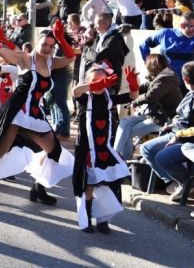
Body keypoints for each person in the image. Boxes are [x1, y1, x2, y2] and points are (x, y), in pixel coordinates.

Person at [0, 18, 75, 203]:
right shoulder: (24, 58)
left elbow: (71, 57)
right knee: (0, 148)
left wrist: (60, 37)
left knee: (54, 150)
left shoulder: (51, 62)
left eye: (52, 46)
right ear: (37, 42)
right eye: (44, 44)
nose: (47, 49)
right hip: (15, 110)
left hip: (34, 113)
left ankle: (39, 187)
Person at [72, 65, 137, 233]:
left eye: (103, 80)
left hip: (104, 147)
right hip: (86, 148)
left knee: (109, 183)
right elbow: (75, 92)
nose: (99, 83)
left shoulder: (109, 98)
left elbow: (132, 97)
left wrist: (133, 83)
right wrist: (94, 85)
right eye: (94, 80)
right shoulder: (85, 98)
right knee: (89, 185)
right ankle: (86, 217)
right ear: (88, 82)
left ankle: (103, 219)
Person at [139, 61, 194, 203]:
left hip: (187, 140)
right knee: (146, 148)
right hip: (177, 133)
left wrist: (177, 136)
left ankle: (186, 182)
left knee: (162, 157)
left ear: (185, 79)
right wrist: (172, 125)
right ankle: (174, 181)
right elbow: (182, 117)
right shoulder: (190, 93)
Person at [114, 54, 182, 159]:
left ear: (153, 66)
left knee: (128, 132)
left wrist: (136, 101)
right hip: (154, 115)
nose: (145, 65)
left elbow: (151, 96)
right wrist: (133, 87)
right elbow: (143, 88)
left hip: (165, 119)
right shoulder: (158, 76)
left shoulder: (166, 79)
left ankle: (121, 160)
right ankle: (115, 155)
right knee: (125, 122)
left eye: (146, 63)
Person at [140, 12, 194, 89]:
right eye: (192, 27)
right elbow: (143, 44)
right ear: (182, 25)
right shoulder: (165, 33)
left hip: (187, 84)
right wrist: (149, 63)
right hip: (165, 82)